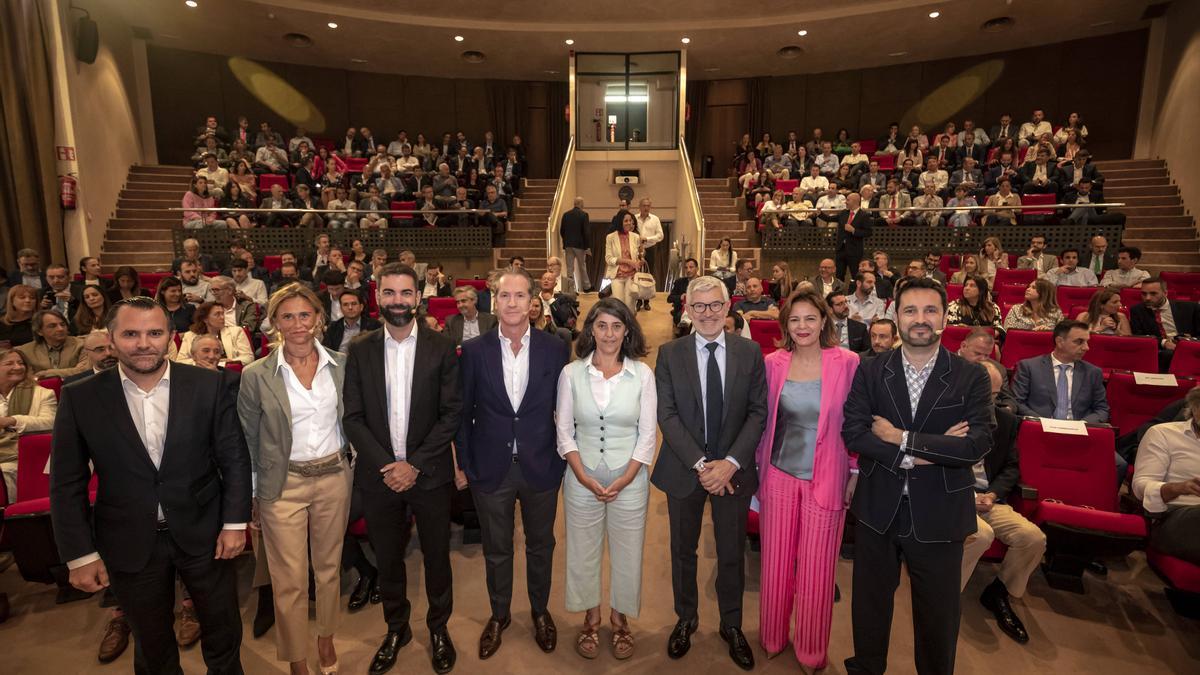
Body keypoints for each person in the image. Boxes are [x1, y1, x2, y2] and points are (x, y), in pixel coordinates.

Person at [50, 296, 251, 675]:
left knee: (224, 633)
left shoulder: (210, 385)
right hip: (127, 537)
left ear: (172, 337)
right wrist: (79, 554)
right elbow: (66, 482)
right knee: (152, 646)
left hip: (205, 532)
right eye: (131, 334)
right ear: (111, 339)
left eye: (154, 332)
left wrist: (234, 523)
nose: (144, 343)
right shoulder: (80, 397)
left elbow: (234, 458)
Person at [841, 276, 993, 675]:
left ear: (944, 316)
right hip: (878, 510)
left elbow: (975, 445)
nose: (920, 319)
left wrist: (901, 438)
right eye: (911, 310)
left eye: (930, 310)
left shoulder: (971, 376)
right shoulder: (871, 370)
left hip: (941, 514)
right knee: (869, 606)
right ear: (896, 316)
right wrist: (920, 453)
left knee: (938, 616)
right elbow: (854, 432)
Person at [343, 263, 461, 674]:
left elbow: (451, 415)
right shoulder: (359, 349)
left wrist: (413, 465)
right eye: (389, 293)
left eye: (405, 293)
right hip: (378, 477)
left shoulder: (442, 347)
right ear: (378, 298)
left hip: (428, 475)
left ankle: (438, 627)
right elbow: (352, 417)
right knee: (389, 558)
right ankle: (397, 628)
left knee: (436, 556)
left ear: (418, 297)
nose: (398, 301)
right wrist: (387, 467)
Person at [652, 275, 767, 671]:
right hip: (686, 470)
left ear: (727, 306)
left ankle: (731, 625)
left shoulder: (750, 353)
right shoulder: (669, 353)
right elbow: (665, 414)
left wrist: (730, 462)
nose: (707, 313)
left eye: (714, 305)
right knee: (682, 551)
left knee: (732, 552)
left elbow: (758, 413)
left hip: (733, 470)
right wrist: (702, 466)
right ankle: (686, 619)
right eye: (698, 306)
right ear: (687, 308)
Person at [457, 268, 570, 660]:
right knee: (497, 548)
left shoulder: (556, 349)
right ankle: (499, 614)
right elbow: (462, 412)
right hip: (491, 467)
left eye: (520, 296)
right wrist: (465, 463)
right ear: (494, 299)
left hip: (542, 465)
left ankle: (540, 611)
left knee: (541, 546)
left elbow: (566, 410)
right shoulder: (474, 351)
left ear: (532, 301)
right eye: (505, 296)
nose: (512, 303)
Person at [237, 283, 349, 675]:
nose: (298, 324)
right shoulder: (256, 375)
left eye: (305, 315)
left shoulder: (341, 364)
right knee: (289, 580)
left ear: (319, 318)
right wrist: (252, 495)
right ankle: (297, 661)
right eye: (288, 316)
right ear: (275, 323)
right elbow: (248, 438)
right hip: (281, 485)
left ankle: (326, 638)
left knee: (329, 568)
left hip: (334, 476)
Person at [756, 288, 859, 668]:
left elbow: (857, 425)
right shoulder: (772, 364)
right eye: (795, 319)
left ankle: (812, 649)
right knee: (776, 563)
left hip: (828, 476)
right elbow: (763, 424)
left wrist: (854, 470)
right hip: (778, 475)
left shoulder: (847, 363)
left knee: (817, 571)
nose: (802, 326)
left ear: (823, 322)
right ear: (785, 325)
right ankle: (772, 635)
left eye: (810, 319)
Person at [555, 299, 655, 660]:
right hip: (581, 477)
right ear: (590, 330)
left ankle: (620, 618)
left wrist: (626, 478)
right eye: (601, 326)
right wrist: (582, 475)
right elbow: (564, 432)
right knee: (582, 551)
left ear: (627, 330)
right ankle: (590, 617)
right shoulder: (571, 374)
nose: (609, 334)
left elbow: (647, 435)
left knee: (628, 553)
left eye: (616, 326)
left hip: (629, 478)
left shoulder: (642, 374)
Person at [959, 360, 1046, 644]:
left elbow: (1011, 467)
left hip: (990, 499)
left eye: (993, 395)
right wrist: (970, 496)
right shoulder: (943, 415)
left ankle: (999, 591)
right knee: (981, 535)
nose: (987, 401)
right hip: (953, 497)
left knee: (1032, 537)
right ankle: (946, 593)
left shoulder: (1005, 421)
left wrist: (992, 494)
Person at [1013, 320, 1124, 483]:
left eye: (1087, 342)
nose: (1086, 347)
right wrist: (1043, 423)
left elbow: (1102, 409)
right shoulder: (1029, 367)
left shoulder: (1093, 372)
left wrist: (1081, 425)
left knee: (1119, 465)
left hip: (1079, 434)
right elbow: (1018, 403)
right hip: (1040, 432)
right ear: (1059, 341)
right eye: (1079, 342)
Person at [1133, 387, 1200, 565]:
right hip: (1172, 518)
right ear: (1195, 409)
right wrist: (1179, 488)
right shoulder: (1163, 434)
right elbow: (1141, 487)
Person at [0, 347, 57, 500]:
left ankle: (9, 518)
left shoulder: (43, 394)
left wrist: (12, 420)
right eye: (9, 363)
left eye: (21, 363)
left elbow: (51, 422)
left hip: (21, 458)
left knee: (4, 472)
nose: (17, 367)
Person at [1130, 277, 1200, 371]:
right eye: (1144, 294)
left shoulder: (1190, 308)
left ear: (1165, 293)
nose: (1147, 298)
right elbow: (1139, 336)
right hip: (1160, 350)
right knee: (1167, 354)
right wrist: (1164, 343)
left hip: (1188, 346)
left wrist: (1186, 343)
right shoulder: (1137, 310)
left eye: (1153, 293)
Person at [177, 301, 255, 366]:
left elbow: (249, 358)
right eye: (217, 314)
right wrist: (208, 363)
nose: (222, 317)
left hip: (227, 372)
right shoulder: (190, 335)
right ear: (205, 319)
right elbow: (180, 361)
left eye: (222, 313)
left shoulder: (236, 331)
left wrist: (228, 362)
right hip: (199, 373)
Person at [16, 309, 88, 378]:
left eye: (62, 324)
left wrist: (46, 373)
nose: (60, 329)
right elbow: (27, 376)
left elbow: (84, 370)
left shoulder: (82, 345)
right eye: (52, 326)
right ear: (39, 331)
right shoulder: (26, 351)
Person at [323, 289, 381, 354]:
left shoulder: (374, 326)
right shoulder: (333, 328)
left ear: (361, 307)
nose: (350, 307)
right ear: (341, 309)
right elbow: (327, 352)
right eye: (345, 304)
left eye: (354, 304)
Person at [605, 212, 642, 311]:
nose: (629, 223)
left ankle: (629, 325)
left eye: (630, 221)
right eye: (626, 221)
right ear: (619, 222)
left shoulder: (636, 237)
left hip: (632, 276)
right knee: (619, 306)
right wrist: (628, 262)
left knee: (630, 306)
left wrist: (638, 261)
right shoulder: (610, 237)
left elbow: (638, 256)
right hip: (617, 275)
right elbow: (608, 259)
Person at [634, 198, 664, 309]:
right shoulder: (634, 218)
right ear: (640, 206)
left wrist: (647, 239)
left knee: (648, 275)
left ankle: (646, 301)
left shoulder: (655, 219)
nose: (646, 208)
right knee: (636, 274)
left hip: (650, 249)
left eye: (648, 206)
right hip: (636, 249)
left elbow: (660, 236)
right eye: (644, 205)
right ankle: (638, 300)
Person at [835, 193, 872, 281]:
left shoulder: (864, 215)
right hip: (841, 249)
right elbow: (830, 218)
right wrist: (819, 213)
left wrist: (854, 230)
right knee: (839, 275)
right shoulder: (844, 213)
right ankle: (838, 293)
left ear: (855, 201)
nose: (845, 202)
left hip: (854, 251)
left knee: (855, 275)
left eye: (848, 200)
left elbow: (868, 232)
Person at [560, 197, 592, 293]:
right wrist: (587, 247)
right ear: (581, 204)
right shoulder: (584, 215)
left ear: (574, 204)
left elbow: (562, 230)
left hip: (568, 244)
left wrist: (566, 241)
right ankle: (587, 287)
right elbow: (586, 232)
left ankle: (571, 289)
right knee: (582, 266)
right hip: (579, 245)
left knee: (569, 268)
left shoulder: (566, 215)